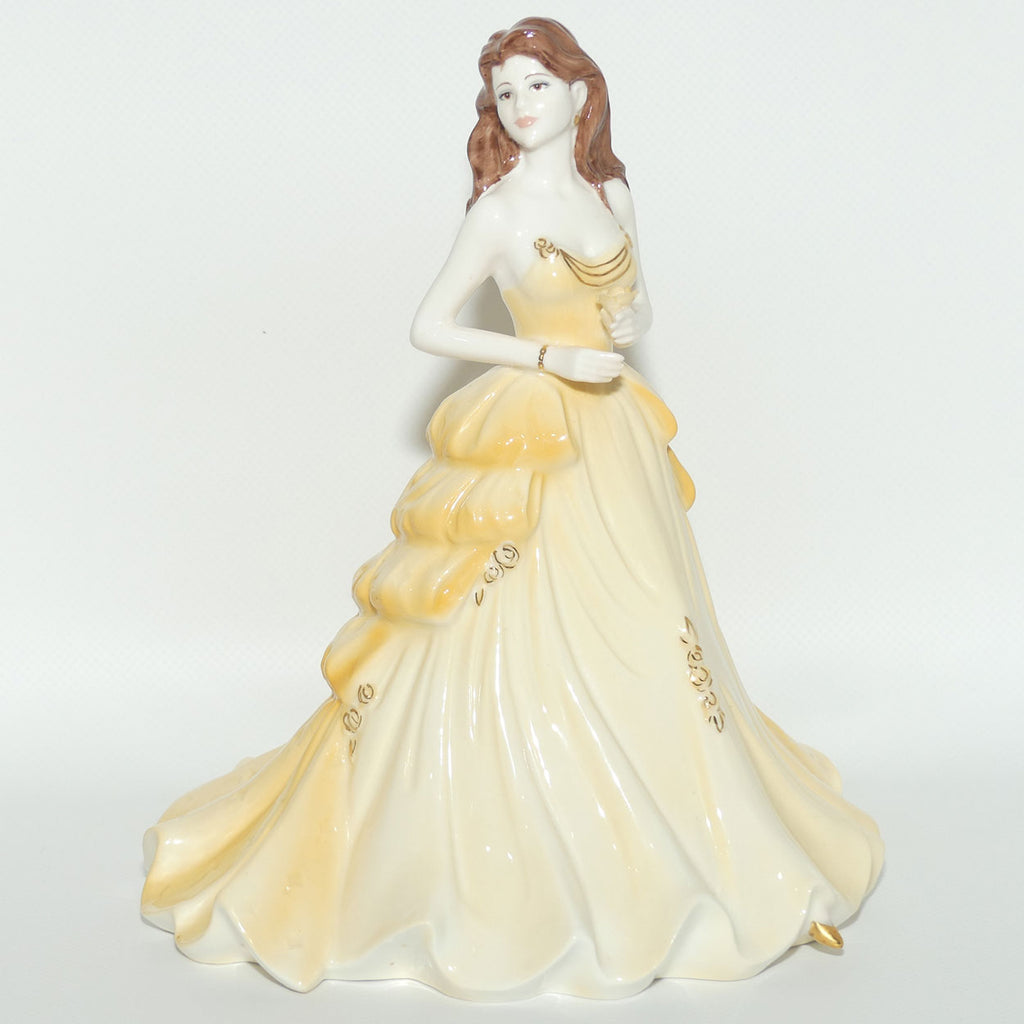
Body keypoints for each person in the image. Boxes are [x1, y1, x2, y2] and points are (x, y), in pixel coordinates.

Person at [141, 18, 883, 999]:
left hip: (613, 437)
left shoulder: (613, 194)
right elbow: (429, 325)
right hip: (533, 429)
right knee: (499, 624)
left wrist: (628, 322)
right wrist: (547, 354)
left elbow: (636, 308)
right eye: (505, 92)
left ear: (581, 92)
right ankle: (520, 865)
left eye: (538, 84)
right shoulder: (495, 214)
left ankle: (728, 857)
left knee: (657, 627)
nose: (522, 105)